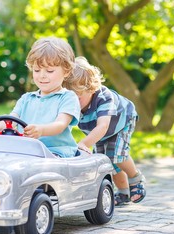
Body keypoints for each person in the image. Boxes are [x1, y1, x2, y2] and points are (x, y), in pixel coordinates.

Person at [63, 56, 146, 205]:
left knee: (116, 154)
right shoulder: (72, 104)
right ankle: (123, 192)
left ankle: (136, 178)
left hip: (121, 122)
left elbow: (103, 126)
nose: (74, 102)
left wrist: (83, 143)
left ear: (90, 88)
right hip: (100, 132)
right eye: (70, 97)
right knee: (107, 161)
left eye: (78, 97)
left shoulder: (104, 98)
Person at [0, 37, 80, 158]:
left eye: (49, 71)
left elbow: (60, 124)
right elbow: (11, 120)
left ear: (66, 72)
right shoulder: (26, 99)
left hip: (55, 153)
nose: (42, 76)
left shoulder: (67, 97)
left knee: (43, 165)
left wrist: (41, 130)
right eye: (37, 70)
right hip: (27, 151)